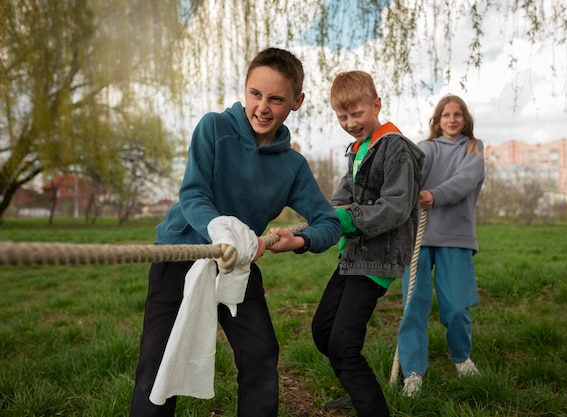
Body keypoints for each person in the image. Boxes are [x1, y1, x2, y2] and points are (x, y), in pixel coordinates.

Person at [129, 47, 342, 417]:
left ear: (297, 101)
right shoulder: (214, 128)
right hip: (181, 254)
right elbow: (194, 192)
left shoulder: (292, 166)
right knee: (158, 361)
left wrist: (299, 240)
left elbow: (330, 222)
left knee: (261, 354)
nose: (263, 107)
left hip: (235, 264)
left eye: (276, 99)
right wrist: (220, 230)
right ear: (245, 89)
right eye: (256, 94)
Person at [311, 70, 424, 417]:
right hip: (353, 256)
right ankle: (360, 386)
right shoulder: (358, 150)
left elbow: (396, 206)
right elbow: (341, 198)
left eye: (356, 114)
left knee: (343, 346)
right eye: (342, 117)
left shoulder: (395, 148)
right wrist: (320, 220)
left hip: (378, 257)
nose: (349, 122)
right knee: (323, 331)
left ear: (376, 105)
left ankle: (369, 402)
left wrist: (346, 219)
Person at [396, 94, 485, 398]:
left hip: (456, 237)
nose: (452, 119)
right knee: (414, 305)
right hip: (420, 238)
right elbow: (410, 178)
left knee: (458, 306)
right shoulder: (426, 148)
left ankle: (461, 358)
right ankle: (413, 372)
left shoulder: (473, 148)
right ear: (437, 120)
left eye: (457, 114)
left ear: (465, 119)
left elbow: (465, 180)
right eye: (446, 115)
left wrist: (434, 195)